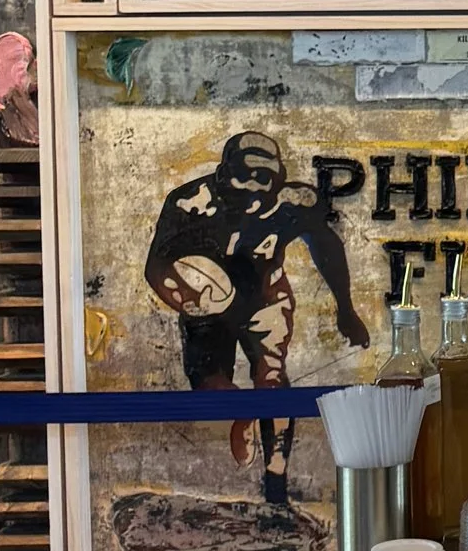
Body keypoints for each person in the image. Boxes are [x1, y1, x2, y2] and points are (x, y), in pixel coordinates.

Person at [144, 129, 370, 504]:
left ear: (278, 178)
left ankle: (276, 485)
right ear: (222, 174)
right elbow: (157, 264)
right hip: (208, 306)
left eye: (262, 178)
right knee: (208, 386)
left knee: (272, 379)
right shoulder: (188, 203)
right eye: (243, 175)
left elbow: (327, 248)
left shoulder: (294, 203)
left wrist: (345, 310)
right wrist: (183, 296)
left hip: (266, 297)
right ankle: (241, 412)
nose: (251, 187)